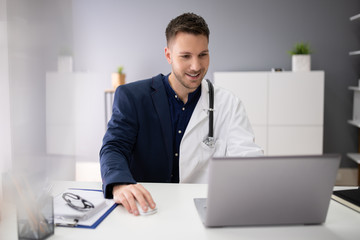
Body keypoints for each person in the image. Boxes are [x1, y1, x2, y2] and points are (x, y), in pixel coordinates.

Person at [100, 12, 263, 216]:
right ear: (168, 55)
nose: (196, 66)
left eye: (203, 54)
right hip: (146, 208)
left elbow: (247, 159)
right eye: (186, 56)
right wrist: (120, 184)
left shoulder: (228, 104)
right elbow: (114, 147)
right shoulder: (132, 96)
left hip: (201, 209)